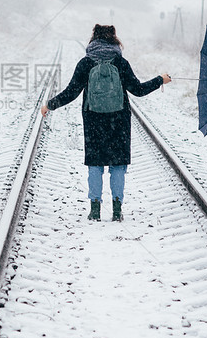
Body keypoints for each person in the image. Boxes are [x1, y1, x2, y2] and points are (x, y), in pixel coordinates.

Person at [40, 24, 171, 221]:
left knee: (95, 164)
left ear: (94, 39)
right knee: (118, 164)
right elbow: (138, 90)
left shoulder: (85, 63)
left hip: (93, 119)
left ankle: (95, 210)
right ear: (114, 39)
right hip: (119, 120)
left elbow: (71, 92)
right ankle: (117, 210)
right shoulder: (120, 63)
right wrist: (160, 80)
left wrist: (50, 105)